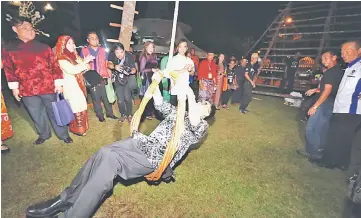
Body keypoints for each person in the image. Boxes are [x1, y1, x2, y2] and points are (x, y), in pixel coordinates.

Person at [25, 72, 216, 218]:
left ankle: (74, 214)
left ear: (207, 114)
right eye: (202, 102)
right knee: (103, 152)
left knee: (112, 161)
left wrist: (188, 93)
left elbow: (192, 120)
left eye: (206, 106)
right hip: (142, 143)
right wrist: (155, 80)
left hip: (154, 159)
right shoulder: (177, 112)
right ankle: (65, 199)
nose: (202, 104)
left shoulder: (200, 127)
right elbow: (158, 101)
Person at [2, 16, 72, 145]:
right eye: (25, 28)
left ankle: (63, 134)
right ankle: (44, 134)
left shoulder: (43, 47)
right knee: (36, 114)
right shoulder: (9, 50)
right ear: (15, 29)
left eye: (31, 27)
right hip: (27, 89)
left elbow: (55, 66)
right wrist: (14, 88)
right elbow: (9, 69)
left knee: (55, 111)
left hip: (48, 86)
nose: (30, 30)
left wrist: (58, 83)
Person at [315, 40, 361, 171]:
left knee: (337, 137)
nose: (344, 54)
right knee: (341, 137)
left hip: (351, 110)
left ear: (359, 51)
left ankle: (328, 161)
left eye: (348, 51)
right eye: (342, 52)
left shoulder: (359, 67)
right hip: (341, 108)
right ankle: (341, 163)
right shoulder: (349, 67)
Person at [296, 51, 343, 160]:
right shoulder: (338, 71)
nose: (324, 61)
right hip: (331, 103)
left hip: (324, 103)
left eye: (326, 58)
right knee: (322, 129)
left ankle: (313, 152)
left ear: (334, 57)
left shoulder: (330, 72)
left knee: (311, 128)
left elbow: (327, 91)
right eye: (322, 59)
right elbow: (331, 89)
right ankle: (318, 151)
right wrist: (315, 89)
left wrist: (315, 106)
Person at [55, 35, 93, 136]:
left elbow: (86, 67)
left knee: (82, 105)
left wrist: (85, 64)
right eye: (69, 43)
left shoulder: (75, 56)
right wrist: (85, 63)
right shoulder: (61, 59)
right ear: (63, 45)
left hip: (79, 85)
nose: (73, 45)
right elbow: (73, 70)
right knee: (75, 106)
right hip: (70, 86)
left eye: (73, 42)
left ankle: (82, 128)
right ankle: (77, 129)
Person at [80, 32, 117, 122]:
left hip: (103, 76)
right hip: (92, 78)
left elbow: (107, 62)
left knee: (106, 96)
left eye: (96, 38)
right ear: (88, 40)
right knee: (96, 98)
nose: (95, 40)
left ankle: (110, 113)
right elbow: (81, 63)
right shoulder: (84, 51)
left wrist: (109, 74)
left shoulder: (103, 50)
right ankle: (100, 115)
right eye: (92, 38)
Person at [107, 43, 137, 123]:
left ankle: (129, 114)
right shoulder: (112, 55)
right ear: (114, 52)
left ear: (124, 51)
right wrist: (115, 66)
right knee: (120, 100)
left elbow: (134, 69)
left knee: (127, 98)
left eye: (121, 52)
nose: (119, 55)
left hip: (127, 79)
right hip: (117, 80)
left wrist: (130, 71)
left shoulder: (129, 56)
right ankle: (123, 114)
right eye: (117, 52)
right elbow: (108, 64)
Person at [167, 39, 195, 107]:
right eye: (180, 47)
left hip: (184, 88)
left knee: (183, 110)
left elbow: (192, 73)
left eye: (184, 47)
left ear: (187, 48)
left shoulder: (189, 60)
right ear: (177, 48)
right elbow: (169, 73)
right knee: (173, 111)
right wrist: (183, 70)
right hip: (175, 89)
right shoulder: (173, 59)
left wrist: (190, 70)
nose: (182, 49)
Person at [139, 42, 158, 120]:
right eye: (149, 47)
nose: (151, 49)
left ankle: (152, 112)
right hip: (147, 79)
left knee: (153, 96)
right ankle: (146, 113)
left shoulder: (154, 56)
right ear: (145, 48)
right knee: (147, 96)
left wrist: (157, 70)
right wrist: (152, 69)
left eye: (152, 47)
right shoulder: (144, 57)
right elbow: (141, 70)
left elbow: (156, 66)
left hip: (153, 78)